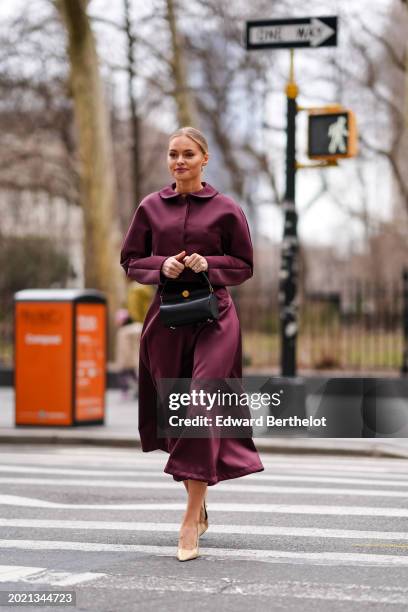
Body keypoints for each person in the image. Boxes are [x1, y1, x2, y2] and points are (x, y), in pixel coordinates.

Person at [120, 126, 264, 561]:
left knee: (202, 402)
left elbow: (243, 264)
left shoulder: (225, 209)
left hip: (215, 317)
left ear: (205, 159)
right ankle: (200, 503)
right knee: (181, 415)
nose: (178, 161)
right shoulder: (150, 208)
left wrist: (209, 263)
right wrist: (161, 265)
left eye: (187, 154)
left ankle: (188, 521)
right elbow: (130, 260)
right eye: (172, 155)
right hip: (166, 320)